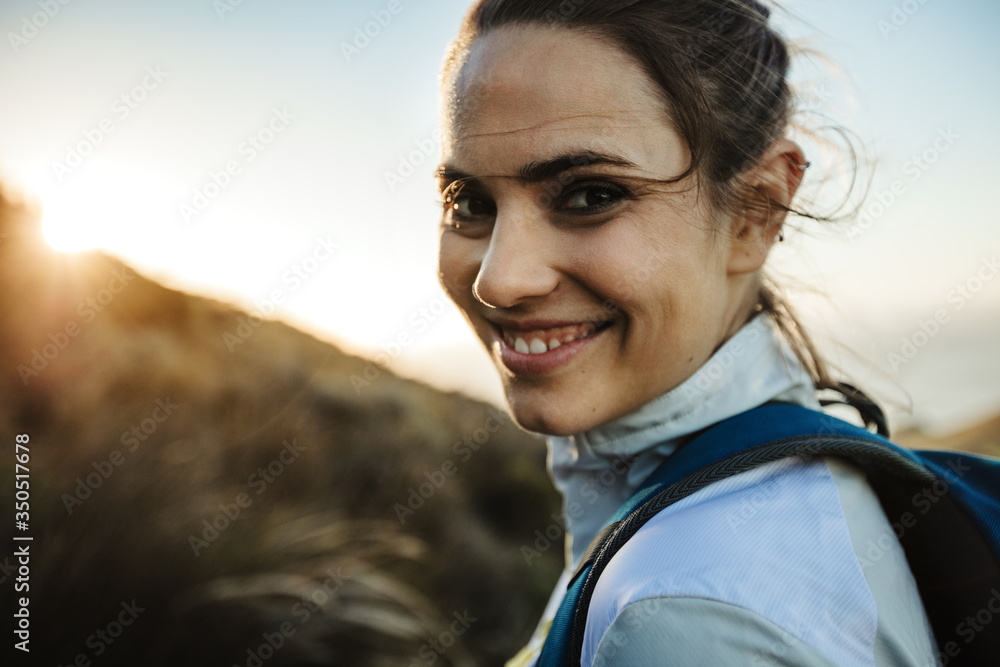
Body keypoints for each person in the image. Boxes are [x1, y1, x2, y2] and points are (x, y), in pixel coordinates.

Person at [435, 1, 940, 665]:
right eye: (471, 203)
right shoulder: (768, 484)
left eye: (590, 194)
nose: (499, 281)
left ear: (756, 211)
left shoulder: (682, 615)